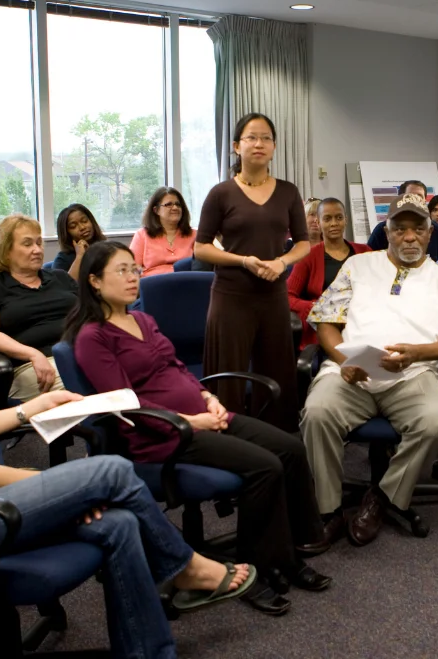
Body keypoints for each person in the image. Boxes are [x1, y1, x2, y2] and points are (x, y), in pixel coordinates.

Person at [0, 260, 254, 659]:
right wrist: (56, 486)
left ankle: (149, 651)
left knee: (120, 521)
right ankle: (186, 568)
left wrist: (40, 403)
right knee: (110, 470)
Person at [69, 242, 332, 616]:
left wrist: (208, 397)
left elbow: (176, 367)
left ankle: (287, 555)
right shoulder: (92, 337)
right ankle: (256, 571)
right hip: (163, 434)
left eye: (135, 269)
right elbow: (125, 404)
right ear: (94, 281)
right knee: (265, 466)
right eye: (122, 271)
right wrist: (192, 422)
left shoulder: (143, 320)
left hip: (203, 417)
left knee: (290, 447)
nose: (133, 278)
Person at [302, 193, 438, 546]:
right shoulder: (358, 266)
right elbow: (324, 322)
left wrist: (417, 353)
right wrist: (343, 360)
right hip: (352, 373)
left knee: (435, 423)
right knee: (317, 412)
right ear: (387, 232)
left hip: (413, 376)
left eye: (417, 229)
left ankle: (382, 498)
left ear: (430, 233)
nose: (409, 237)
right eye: (400, 229)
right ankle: (328, 510)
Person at [194, 113, 310, 431]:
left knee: (276, 373)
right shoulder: (221, 193)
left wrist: (282, 262)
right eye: (251, 137)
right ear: (236, 146)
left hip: (272, 293)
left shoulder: (287, 192)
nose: (259, 144)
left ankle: (274, 440)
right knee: (227, 374)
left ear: (273, 147)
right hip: (231, 295)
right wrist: (243, 260)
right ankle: (225, 437)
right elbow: (201, 248)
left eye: (266, 138)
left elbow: (303, 243)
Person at [0, 214, 76, 400]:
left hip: (81, 354)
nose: (37, 250)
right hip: (31, 366)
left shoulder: (61, 278)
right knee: (83, 386)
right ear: (6, 251)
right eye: (27, 244)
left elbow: (92, 316)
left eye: (39, 242)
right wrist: (33, 354)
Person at [287, 198, 370, 350]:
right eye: (327, 219)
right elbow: (287, 296)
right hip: (324, 331)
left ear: (346, 220)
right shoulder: (308, 256)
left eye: (339, 218)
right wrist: (314, 306)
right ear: (318, 223)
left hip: (363, 326)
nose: (334, 223)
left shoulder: (364, 251)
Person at [365, 180, 438, 261]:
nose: (410, 237)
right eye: (400, 230)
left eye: (419, 197)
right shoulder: (381, 229)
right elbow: (369, 261)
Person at [131, 187, 195, 277]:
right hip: (154, 286)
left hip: (187, 285)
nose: (175, 208)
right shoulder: (142, 235)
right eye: (169, 204)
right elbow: (133, 269)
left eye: (178, 204)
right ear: (156, 210)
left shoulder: (195, 235)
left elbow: (204, 267)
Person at [53, 203, 107, 280]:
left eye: (84, 221)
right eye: (73, 226)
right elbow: (62, 288)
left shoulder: (107, 248)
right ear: (66, 233)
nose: (82, 227)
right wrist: (80, 256)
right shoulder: (62, 259)